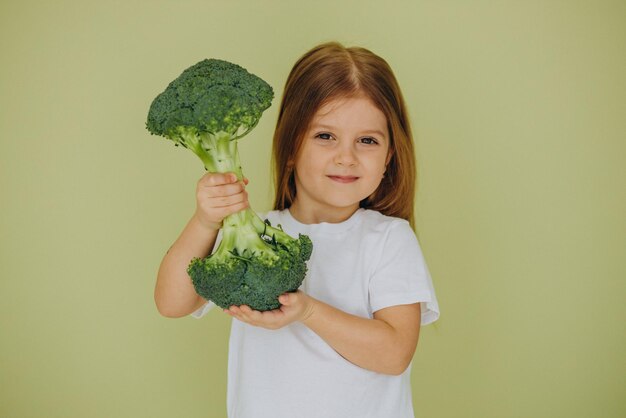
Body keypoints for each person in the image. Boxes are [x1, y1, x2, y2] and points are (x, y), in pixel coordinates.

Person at [154, 41, 440, 418]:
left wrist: (307, 311)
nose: (346, 156)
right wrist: (205, 221)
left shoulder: (388, 238)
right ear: (291, 145)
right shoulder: (254, 234)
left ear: (388, 158)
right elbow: (172, 303)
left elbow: (394, 353)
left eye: (367, 141)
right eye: (325, 136)